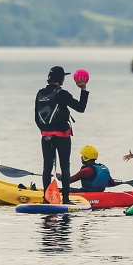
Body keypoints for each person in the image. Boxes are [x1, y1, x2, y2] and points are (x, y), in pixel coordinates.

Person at [35, 65, 89, 202]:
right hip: (62, 136)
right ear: (61, 79)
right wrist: (83, 89)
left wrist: (45, 131)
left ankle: (46, 199)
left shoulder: (40, 93)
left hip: (45, 136)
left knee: (47, 167)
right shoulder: (61, 93)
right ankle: (65, 199)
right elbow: (81, 108)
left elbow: (36, 117)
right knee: (65, 167)